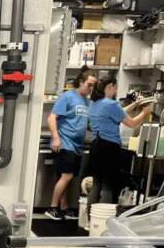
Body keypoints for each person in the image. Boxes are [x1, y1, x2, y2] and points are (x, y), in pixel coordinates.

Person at [87, 78, 152, 203]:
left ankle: (91, 218)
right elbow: (132, 123)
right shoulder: (111, 104)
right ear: (111, 86)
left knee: (97, 184)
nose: (116, 91)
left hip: (96, 146)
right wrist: (145, 112)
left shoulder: (95, 103)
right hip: (109, 147)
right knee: (108, 185)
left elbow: (119, 113)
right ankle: (105, 220)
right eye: (116, 88)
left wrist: (134, 104)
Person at [46, 70, 97, 220]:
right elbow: (51, 118)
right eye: (89, 85)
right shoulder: (67, 97)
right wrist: (56, 138)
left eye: (94, 86)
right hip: (65, 142)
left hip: (77, 145)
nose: (91, 89)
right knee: (66, 176)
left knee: (67, 177)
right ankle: (53, 207)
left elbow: (85, 122)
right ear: (81, 82)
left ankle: (65, 208)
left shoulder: (88, 102)